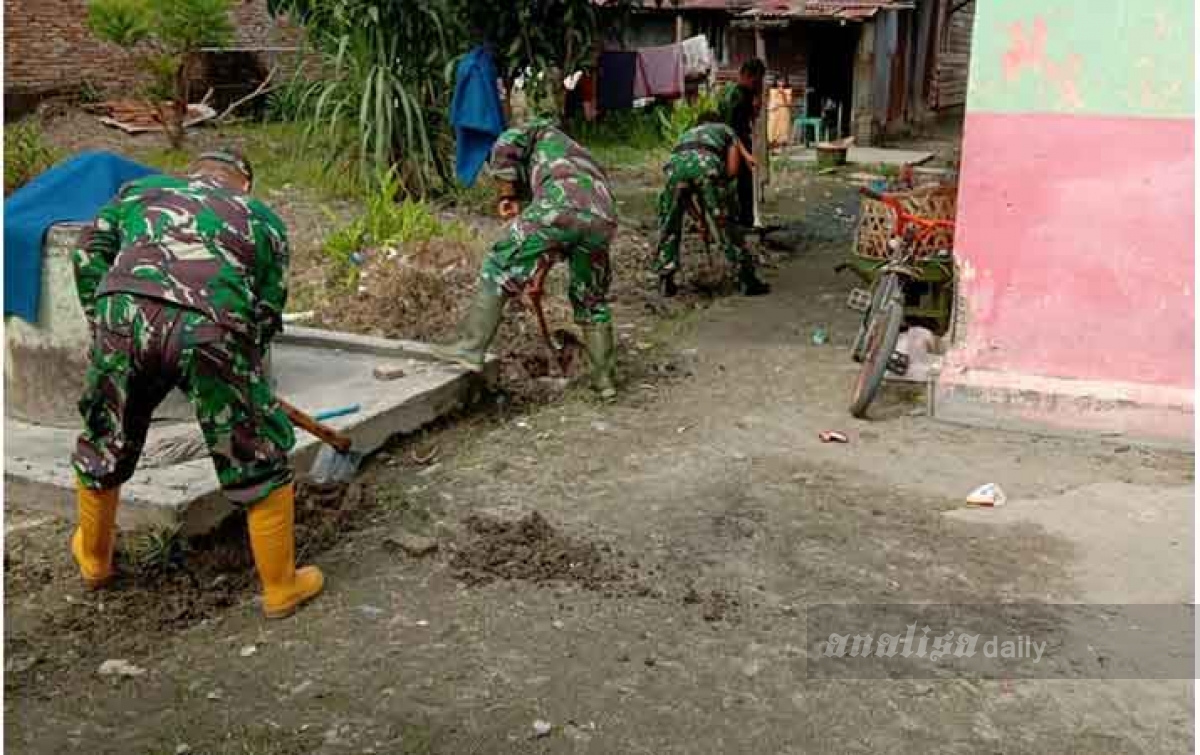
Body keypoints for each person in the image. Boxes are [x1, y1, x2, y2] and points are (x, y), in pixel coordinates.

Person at [70, 148, 323, 620]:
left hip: (124, 316)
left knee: (107, 437)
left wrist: (101, 318)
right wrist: (244, 369)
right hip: (214, 329)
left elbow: (87, 252)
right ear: (243, 184)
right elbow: (269, 305)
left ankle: (95, 561)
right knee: (254, 451)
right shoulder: (261, 218)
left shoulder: (142, 191)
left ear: (194, 173)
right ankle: (281, 588)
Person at [431, 117, 620, 400]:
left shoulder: (519, 134)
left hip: (559, 203)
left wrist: (505, 197)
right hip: (602, 217)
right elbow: (560, 237)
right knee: (591, 298)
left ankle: (470, 348)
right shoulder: (574, 152)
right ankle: (604, 381)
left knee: (499, 265)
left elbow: (509, 168)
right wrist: (538, 277)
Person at [654, 112, 770, 297]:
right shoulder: (725, 130)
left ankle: (665, 278)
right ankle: (746, 280)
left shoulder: (686, 134)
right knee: (726, 225)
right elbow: (732, 170)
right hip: (707, 167)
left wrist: (699, 219)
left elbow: (684, 197)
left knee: (670, 225)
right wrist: (718, 201)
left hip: (674, 169)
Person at [719, 58, 766, 229]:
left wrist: (757, 100)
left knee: (743, 182)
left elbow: (752, 117)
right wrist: (745, 154)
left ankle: (744, 220)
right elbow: (731, 130)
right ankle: (740, 222)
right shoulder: (736, 96)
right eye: (757, 81)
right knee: (738, 182)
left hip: (739, 140)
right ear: (747, 76)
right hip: (732, 142)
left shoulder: (744, 93)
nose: (759, 85)